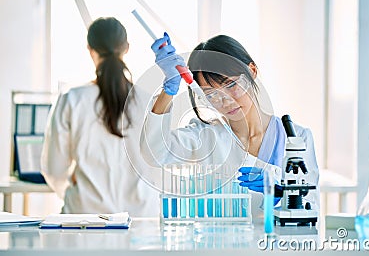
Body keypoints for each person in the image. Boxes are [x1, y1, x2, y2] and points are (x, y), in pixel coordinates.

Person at [140, 33, 319, 215]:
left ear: (252, 71)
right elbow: (154, 153)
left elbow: (311, 208)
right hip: (220, 242)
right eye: (211, 94)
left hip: (275, 243)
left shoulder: (297, 138)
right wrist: (168, 90)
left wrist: (282, 192)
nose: (225, 101)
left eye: (231, 85)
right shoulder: (207, 135)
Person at [41, 17, 159, 216]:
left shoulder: (71, 99)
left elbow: (54, 168)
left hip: (84, 217)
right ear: (126, 48)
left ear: (90, 49)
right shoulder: (149, 101)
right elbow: (159, 164)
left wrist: (72, 186)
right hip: (142, 221)